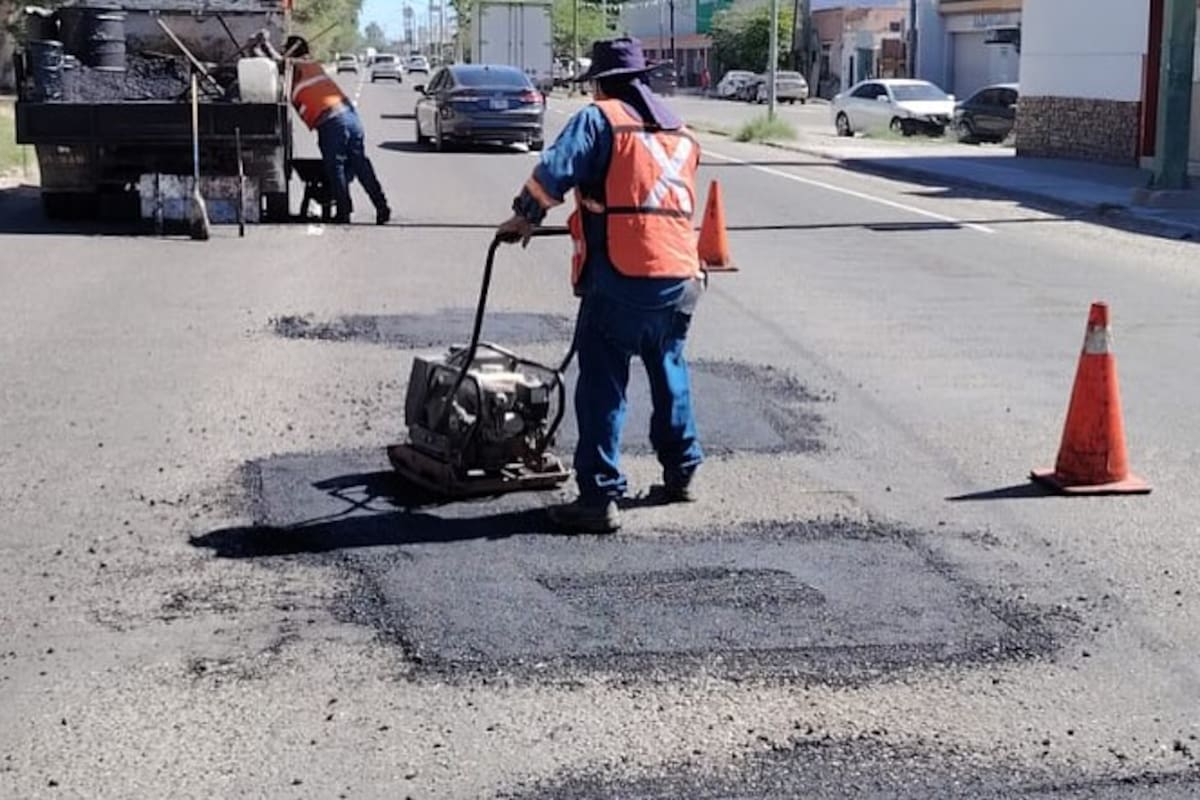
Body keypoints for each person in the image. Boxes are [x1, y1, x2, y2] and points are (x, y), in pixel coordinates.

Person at [496, 38, 705, 534]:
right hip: (681, 275)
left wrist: (525, 216)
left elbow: (556, 169)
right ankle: (682, 472)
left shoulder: (599, 119)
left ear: (602, 84)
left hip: (623, 276)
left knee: (602, 386)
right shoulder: (681, 133)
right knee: (669, 371)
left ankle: (598, 496)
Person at [256, 34, 390, 225]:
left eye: (285, 49)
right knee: (360, 165)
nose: (283, 52)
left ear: (292, 51)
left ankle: (343, 212)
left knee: (336, 168)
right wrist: (260, 50)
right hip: (351, 118)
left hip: (332, 122)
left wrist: (264, 44)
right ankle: (381, 207)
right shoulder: (311, 65)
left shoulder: (297, 64)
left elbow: (278, 63)